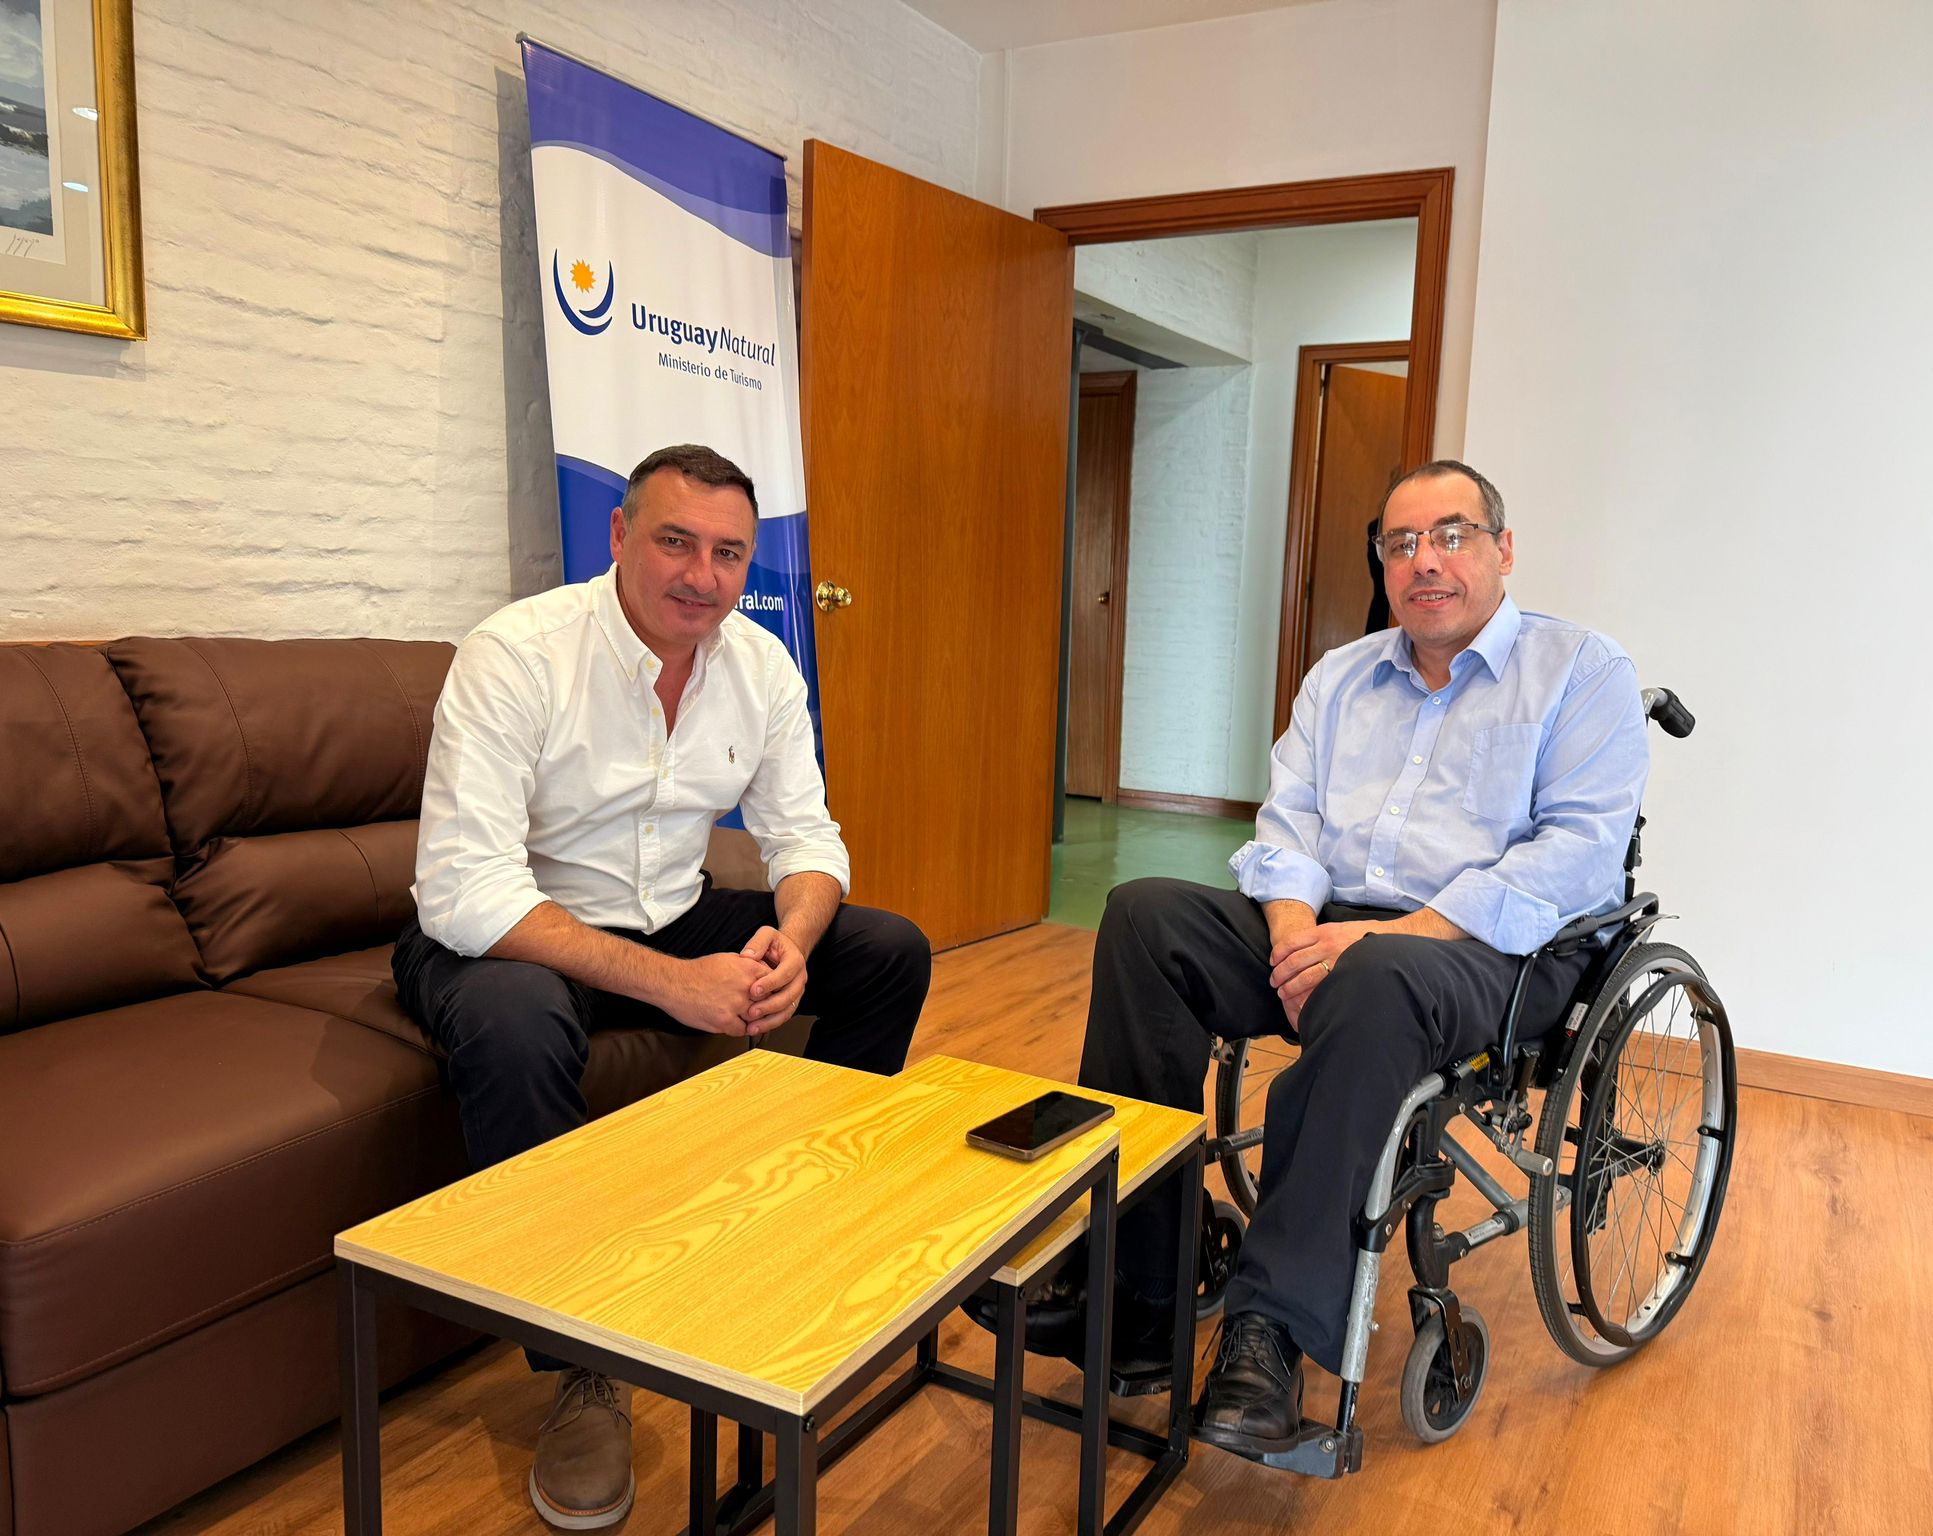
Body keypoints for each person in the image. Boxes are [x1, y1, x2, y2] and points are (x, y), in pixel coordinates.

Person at [1016, 460, 1649, 1460]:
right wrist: (1289, 936)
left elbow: (1574, 856)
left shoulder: (1580, 670)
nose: (1423, 561)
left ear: (1502, 549)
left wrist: (1383, 939)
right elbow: (1289, 826)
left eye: (1450, 535)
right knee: (1144, 918)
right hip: (1327, 928)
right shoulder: (1341, 677)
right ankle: (1140, 1282)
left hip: (1488, 949)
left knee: (1375, 977)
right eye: (1399, 544)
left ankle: (1269, 1330)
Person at [393, 443, 931, 1528]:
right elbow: (465, 888)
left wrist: (789, 941)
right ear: (618, 536)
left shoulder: (760, 665)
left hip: (673, 912)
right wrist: (677, 985)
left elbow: (805, 837)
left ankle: (799, 1221)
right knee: (514, 1022)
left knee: (886, 949)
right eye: (676, 542)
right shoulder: (517, 655)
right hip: (514, 933)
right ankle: (579, 1369)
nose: (701, 575)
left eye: (728, 554)